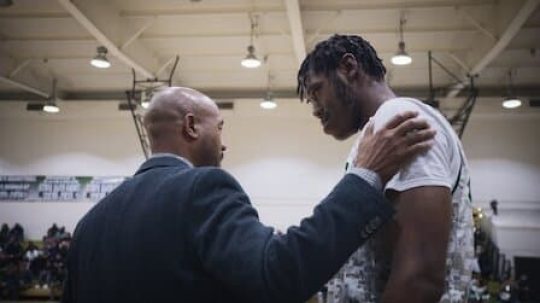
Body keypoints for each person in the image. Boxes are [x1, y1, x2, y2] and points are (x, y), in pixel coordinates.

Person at [62, 86, 435, 303]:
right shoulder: (202, 188)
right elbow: (280, 273)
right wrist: (364, 178)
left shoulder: (90, 225)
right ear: (191, 126)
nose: (224, 145)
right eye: (219, 128)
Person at [297, 34, 474, 303]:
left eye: (316, 91)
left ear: (348, 68)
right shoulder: (378, 134)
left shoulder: (396, 118)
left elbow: (420, 278)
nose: (314, 109)